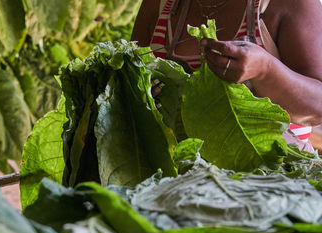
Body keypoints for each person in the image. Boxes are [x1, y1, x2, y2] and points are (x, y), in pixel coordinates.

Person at [131, 0, 322, 152]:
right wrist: (141, 93)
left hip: (269, 183)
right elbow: (132, 77)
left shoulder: (289, 4)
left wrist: (265, 70)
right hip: (173, 177)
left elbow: (318, 107)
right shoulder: (160, 5)